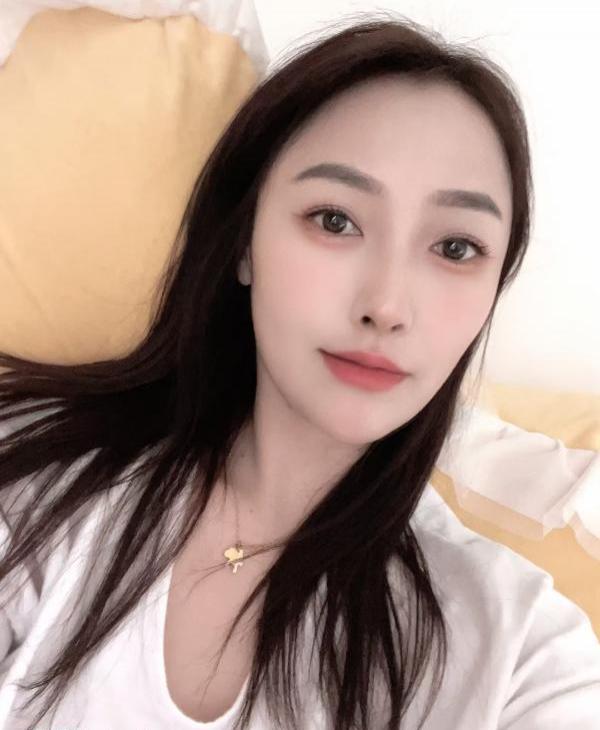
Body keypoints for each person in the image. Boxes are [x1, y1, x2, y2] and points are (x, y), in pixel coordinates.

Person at [1, 11, 599, 730]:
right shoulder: (43, 493)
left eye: (455, 248)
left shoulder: (522, 651)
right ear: (244, 244)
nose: (386, 306)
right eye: (335, 220)